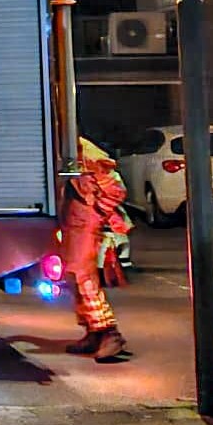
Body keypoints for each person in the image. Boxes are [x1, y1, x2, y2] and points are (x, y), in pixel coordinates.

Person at [63, 138, 131, 362]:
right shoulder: (69, 147)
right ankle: (94, 330)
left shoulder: (82, 151)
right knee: (75, 276)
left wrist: (98, 213)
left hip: (84, 224)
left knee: (84, 278)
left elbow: (116, 189)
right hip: (76, 223)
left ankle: (108, 331)